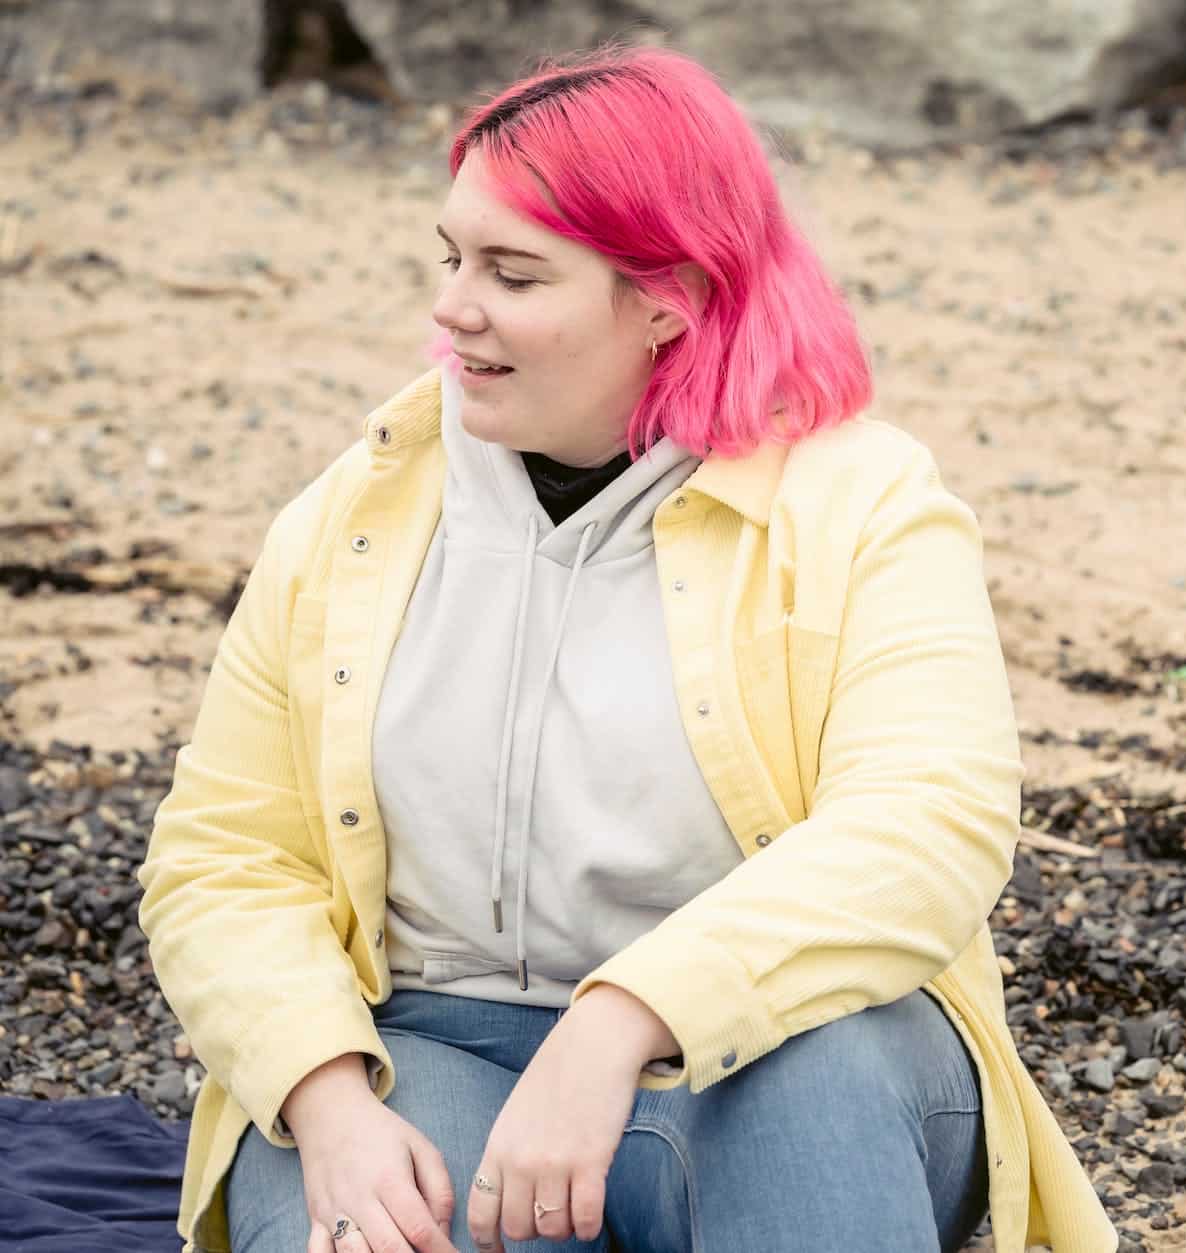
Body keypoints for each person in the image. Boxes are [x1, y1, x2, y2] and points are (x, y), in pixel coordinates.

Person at [135, 43, 1116, 1253]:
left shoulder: (864, 501)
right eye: (452, 257)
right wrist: (321, 1097)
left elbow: (927, 826)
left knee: (820, 1088)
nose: (452, 307)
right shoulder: (357, 510)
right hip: (422, 1048)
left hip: (782, 1049)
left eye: (513, 272)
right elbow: (223, 853)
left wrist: (622, 1016)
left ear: (669, 296)